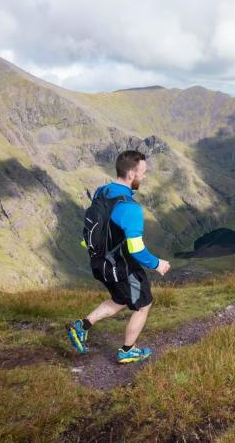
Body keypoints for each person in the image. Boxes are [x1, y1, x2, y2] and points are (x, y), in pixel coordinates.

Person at [66, 150, 170, 363]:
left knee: (121, 298)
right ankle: (126, 351)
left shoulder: (102, 192)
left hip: (98, 262)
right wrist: (157, 263)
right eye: (143, 172)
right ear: (132, 174)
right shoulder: (130, 209)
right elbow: (137, 249)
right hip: (120, 267)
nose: (145, 176)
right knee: (143, 303)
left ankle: (81, 326)